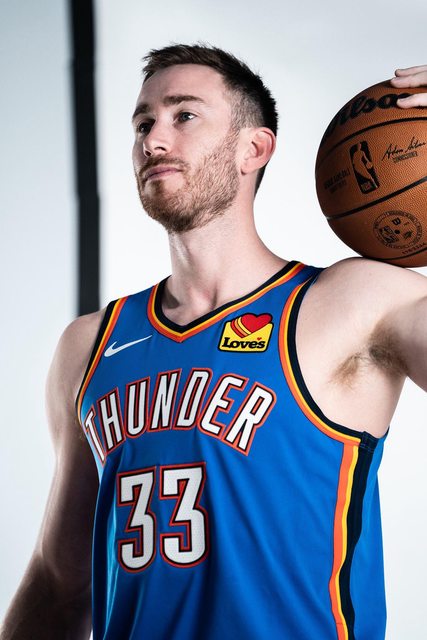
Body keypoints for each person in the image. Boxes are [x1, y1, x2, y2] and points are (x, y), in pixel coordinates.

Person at [1, 46, 426, 640]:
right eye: (143, 124)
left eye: (184, 116)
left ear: (254, 149)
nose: (154, 140)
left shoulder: (354, 301)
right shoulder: (89, 346)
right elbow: (59, 586)